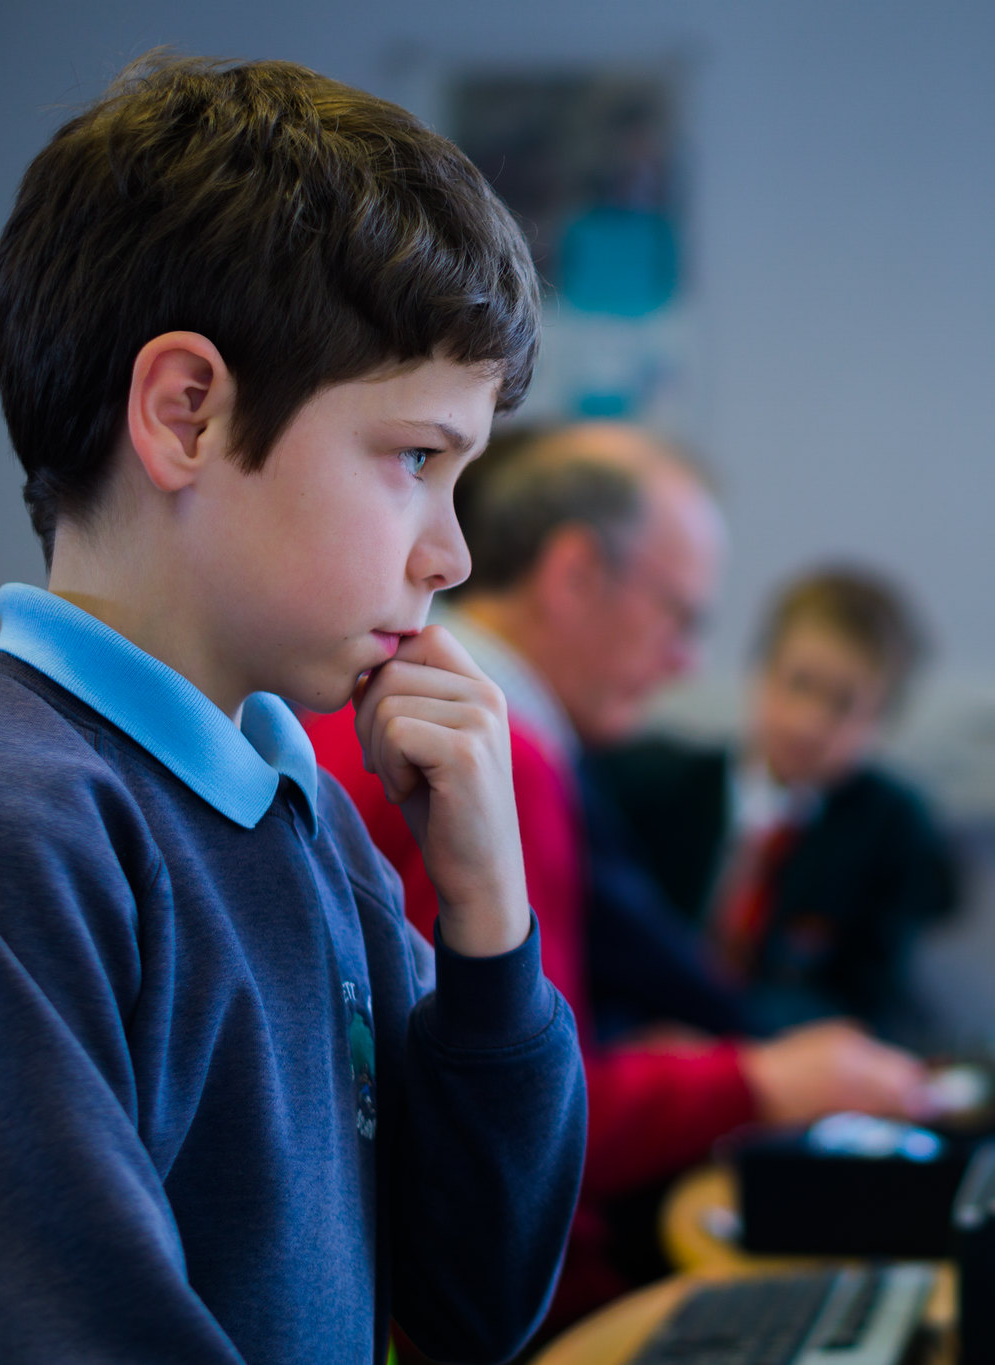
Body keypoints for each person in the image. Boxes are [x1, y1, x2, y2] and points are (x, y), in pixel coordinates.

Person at [0, 56, 585, 1365]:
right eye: (415, 461)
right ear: (187, 413)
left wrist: (491, 925)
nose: (450, 554)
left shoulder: (295, 805)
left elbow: (476, 1301)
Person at [307, 423, 928, 1321]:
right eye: (678, 615)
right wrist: (766, 1083)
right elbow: (529, 1112)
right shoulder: (488, 758)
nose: (687, 662)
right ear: (573, 577)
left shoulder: (385, 706)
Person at [588, 568, 958, 1040]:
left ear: (882, 722)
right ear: (760, 672)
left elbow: (869, 1003)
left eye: (843, 704)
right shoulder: (649, 784)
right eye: (799, 684)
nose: (808, 722)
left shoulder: (893, 827)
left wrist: (727, 1033)